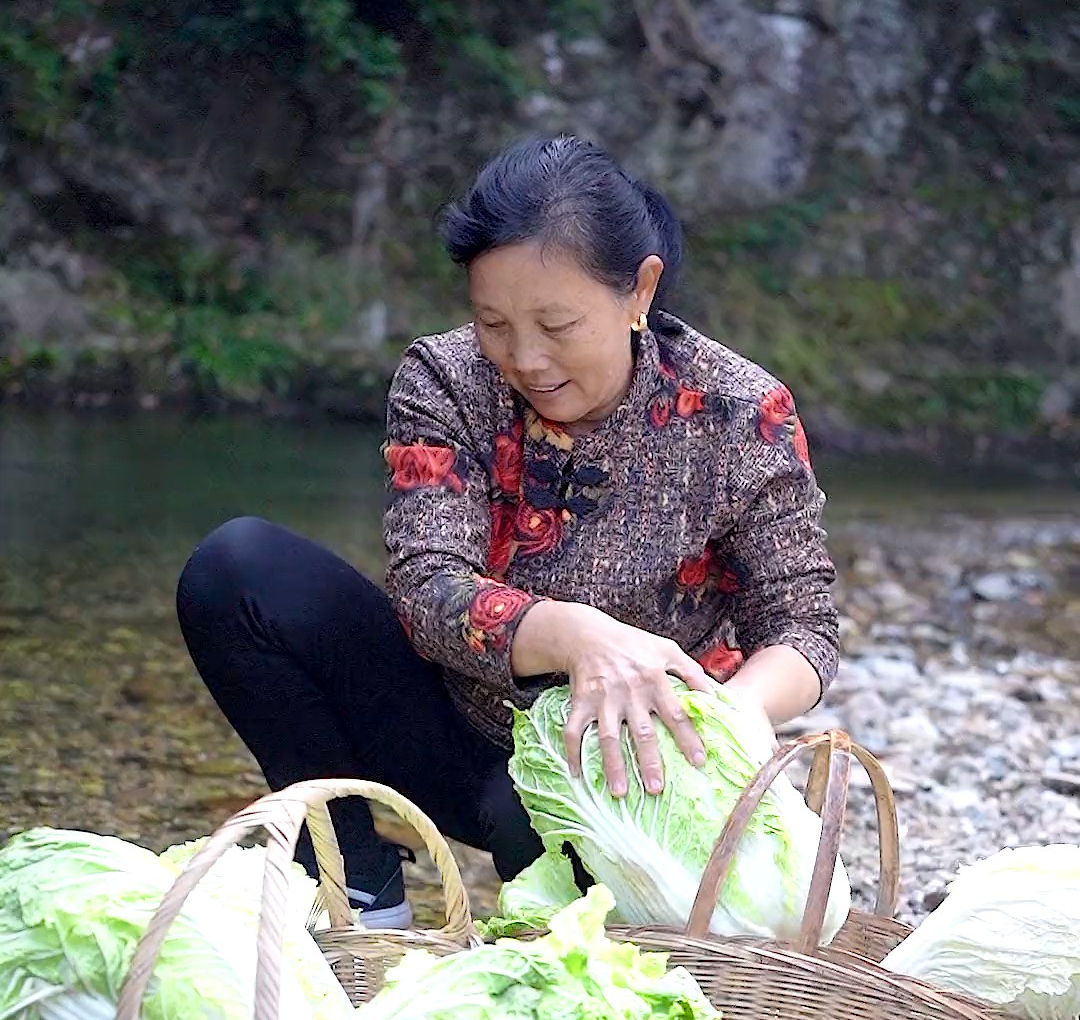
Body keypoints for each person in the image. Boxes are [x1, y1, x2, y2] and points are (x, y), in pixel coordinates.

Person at [177, 136, 838, 928]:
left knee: (544, 828)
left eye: (557, 325)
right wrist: (575, 635)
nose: (525, 358)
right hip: (452, 728)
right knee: (238, 571)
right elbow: (427, 588)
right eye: (494, 322)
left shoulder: (737, 412)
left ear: (641, 290)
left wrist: (719, 727)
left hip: (628, 777)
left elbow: (804, 626)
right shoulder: (447, 378)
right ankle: (352, 880)